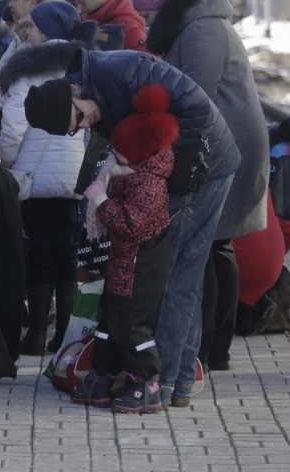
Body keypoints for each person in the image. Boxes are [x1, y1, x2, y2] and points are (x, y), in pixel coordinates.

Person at [24, 48, 240, 408]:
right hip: (178, 171)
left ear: (73, 89)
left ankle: (164, 383)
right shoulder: (97, 92)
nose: (85, 126)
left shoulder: (122, 73)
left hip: (203, 168)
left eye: (79, 117)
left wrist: (159, 170)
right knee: (180, 275)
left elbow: (193, 108)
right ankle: (177, 382)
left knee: (173, 278)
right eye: (75, 129)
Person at [134, 0, 270, 375]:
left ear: (164, 6)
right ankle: (210, 351)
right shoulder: (196, 26)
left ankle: (207, 350)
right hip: (223, 140)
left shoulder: (202, 29)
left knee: (209, 246)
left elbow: (195, 93)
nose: (143, 21)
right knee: (215, 244)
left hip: (226, 144)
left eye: (146, 13)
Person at [0, 0, 97, 355]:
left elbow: (14, 126)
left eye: (33, 27)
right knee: (66, 252)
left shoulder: (28, 66)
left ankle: (35, 334)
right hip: (73, 175)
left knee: (38, 251)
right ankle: (65, 337)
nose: (28, 32)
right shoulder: (83, 64)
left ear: (47, 29)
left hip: (34, 176)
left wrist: (7, 161)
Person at [71, 84, 179, 414]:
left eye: (118, 153)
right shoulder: (132, 172)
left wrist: (101, 200)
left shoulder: (150, 184)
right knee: (109, 322)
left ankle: (147, 383)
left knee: (131, 326)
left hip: (139, 270)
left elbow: (131, 225)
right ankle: (102, 375)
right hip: (121, 268)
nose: (113, 158)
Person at [0, 0, 60, 113]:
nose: (10, 5)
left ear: (32, 2)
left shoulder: (35, 40)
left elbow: (16, 91)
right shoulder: (22, 35)